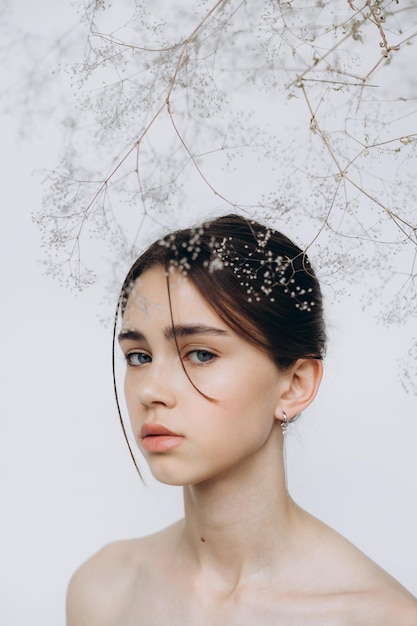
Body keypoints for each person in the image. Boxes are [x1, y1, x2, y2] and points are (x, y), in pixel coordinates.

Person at [67, 214, 417, 625]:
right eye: (138, 357)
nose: (150, 391)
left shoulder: (379, 617)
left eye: (201, 354)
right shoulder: (104, 592)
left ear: (295, 385)